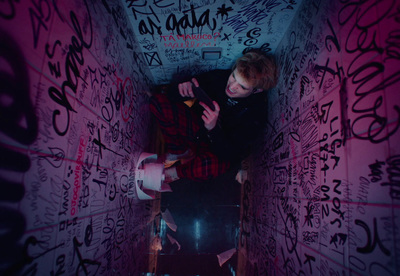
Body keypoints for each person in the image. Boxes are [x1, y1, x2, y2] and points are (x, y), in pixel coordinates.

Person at [149, 49, 278, 184]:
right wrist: (181, 90)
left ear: (257, 90)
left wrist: (213, 128)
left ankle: (175, 173)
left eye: (242, 87)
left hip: (218, 148)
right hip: (196, 129)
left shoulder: (256, 113)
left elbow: (228, 154)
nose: (232, 87)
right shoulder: (220, 77)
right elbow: (171, 96)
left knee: (207, 167)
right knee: (158, 102)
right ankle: (180, 151)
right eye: (234, 76)